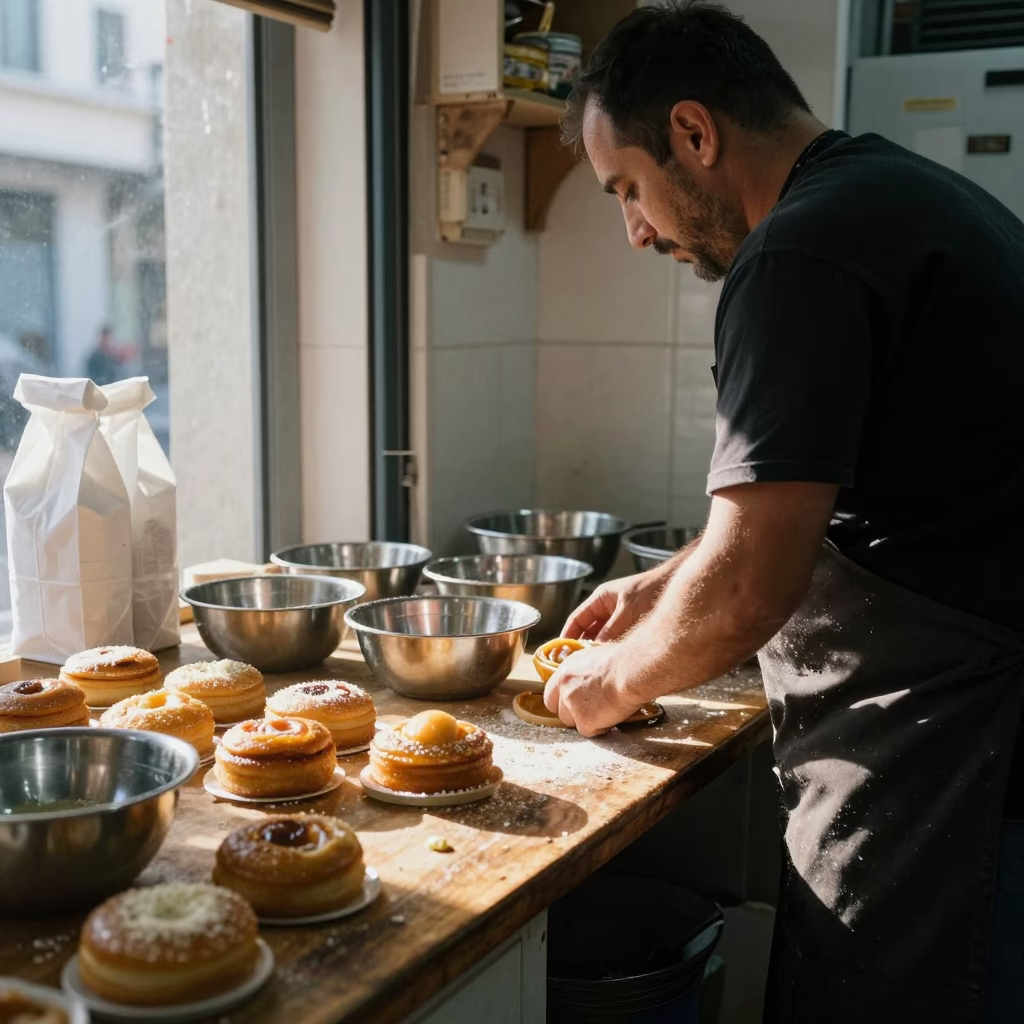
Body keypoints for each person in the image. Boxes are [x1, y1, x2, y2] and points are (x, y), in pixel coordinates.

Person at [546, 3, 1024, 1021]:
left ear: (693, 133)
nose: (635, 231)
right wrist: (664, 579)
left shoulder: (796, 253)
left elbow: (756, 580)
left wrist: (609, 681)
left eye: (628, 188)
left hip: (957, 763)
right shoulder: (901, 194)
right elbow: (829, 501)